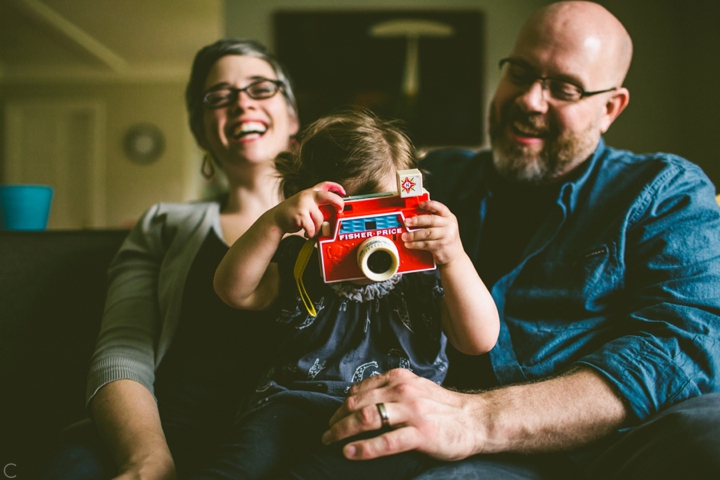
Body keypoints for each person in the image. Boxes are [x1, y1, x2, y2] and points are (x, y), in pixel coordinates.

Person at [320, 2, 720, 479]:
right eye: (521, 72)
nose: (531, 100)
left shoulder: (662, 192)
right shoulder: (437, 178)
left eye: (564, 88)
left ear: (610, 107)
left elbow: (683, 345)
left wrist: (476, 419)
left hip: (553, 453)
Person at [42, 39, 300, 480]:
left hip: (288, 442)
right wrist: (146, 459)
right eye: (218, 96)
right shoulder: (163, 224)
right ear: (201, 130)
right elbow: (122, 351)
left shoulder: (345, 220)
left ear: (293, 116)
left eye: (260, 88)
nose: (241, 103)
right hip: (156, 436)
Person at [206, 109, 499, 479]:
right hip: (289, 408)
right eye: (350, 219)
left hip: (388, 413)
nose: (367, 236)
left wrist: (453, 256)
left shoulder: (423, 273)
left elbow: (479, 340)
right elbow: (233, 291)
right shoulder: (301, 266)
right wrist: (275, 222)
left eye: (382, 214)